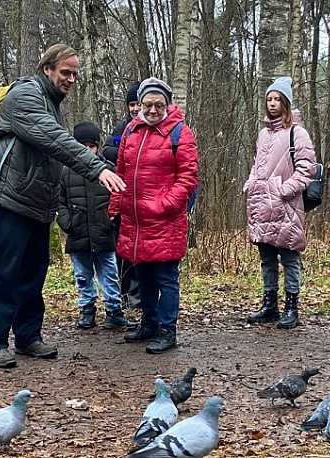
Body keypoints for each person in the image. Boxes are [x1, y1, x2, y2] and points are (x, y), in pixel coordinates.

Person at [0, 44, 126, 369]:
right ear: (47, 69)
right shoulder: (25, 96)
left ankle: (28, 336)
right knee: (5, 272)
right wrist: (97, 168)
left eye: (75, 74)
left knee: (34, 272)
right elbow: (55, 139)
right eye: (65, 72)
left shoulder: (51, 103)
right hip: (11, 198)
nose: (71, 79)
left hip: (37, 204)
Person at [108, 77, 199, 354]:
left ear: (167, 104)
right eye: (147, 104)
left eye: (159, 104)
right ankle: (149, 322)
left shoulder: (180, 132)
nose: (152, 110)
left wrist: (165, 204)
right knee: (143, 274)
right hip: (135, 220)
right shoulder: (131, 131)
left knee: (166, 277)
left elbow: (188, 177)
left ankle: (167, 330)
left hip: (165, 220)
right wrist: (115, 207)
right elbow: (121, 172)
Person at [243, 76, 317, 329]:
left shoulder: (298, 132)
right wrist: (251, 183)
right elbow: (257, 164)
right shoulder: (263, 134)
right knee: (267, 258)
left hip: (286, 207)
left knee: (289, 258)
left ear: (286, 102)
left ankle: (291, 307)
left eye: (277, 99)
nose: (272, 103)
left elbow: (307, 169)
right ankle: (270, 305)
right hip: (261, 205)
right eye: (269, 99)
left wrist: (284, 190)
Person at [57, 121, 138, 331]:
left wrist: (112, 222)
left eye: (91, 146)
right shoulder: (65, 172)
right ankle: (87, 310)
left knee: (109, 273)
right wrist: (68, 223)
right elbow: (59, 201)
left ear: (97, 146)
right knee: (82, 275)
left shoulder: (108, 170)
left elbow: (120, 198)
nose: (87, 150)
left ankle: (114, 311)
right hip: (78, 234)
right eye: (82, 145)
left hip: (104, 233)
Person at [103, 81, 142, 310]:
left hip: (143, 201)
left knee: (140, 253)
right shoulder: (122, 128)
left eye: (138, 104)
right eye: (132, 104)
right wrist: (128, 154)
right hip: (122, 199)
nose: (135, 109)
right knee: (122, 253)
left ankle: (139, 296)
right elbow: (107, 150)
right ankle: (124, 294)